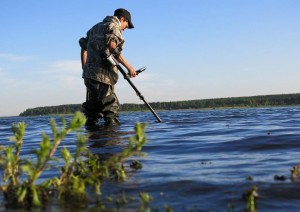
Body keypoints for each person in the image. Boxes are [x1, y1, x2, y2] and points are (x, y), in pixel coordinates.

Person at [79, 8, 136, 126]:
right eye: (127, 25)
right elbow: (112, 47)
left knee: (92, 112)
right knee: (110, 109)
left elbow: (83, 46)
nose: (125, 29)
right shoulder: (113, 27)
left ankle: (93, 141)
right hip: (103, 76)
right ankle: (112, 142)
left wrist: (84, 67)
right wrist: (129, 67)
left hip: (89, 75)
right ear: (122, 19)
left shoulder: (94, 28)